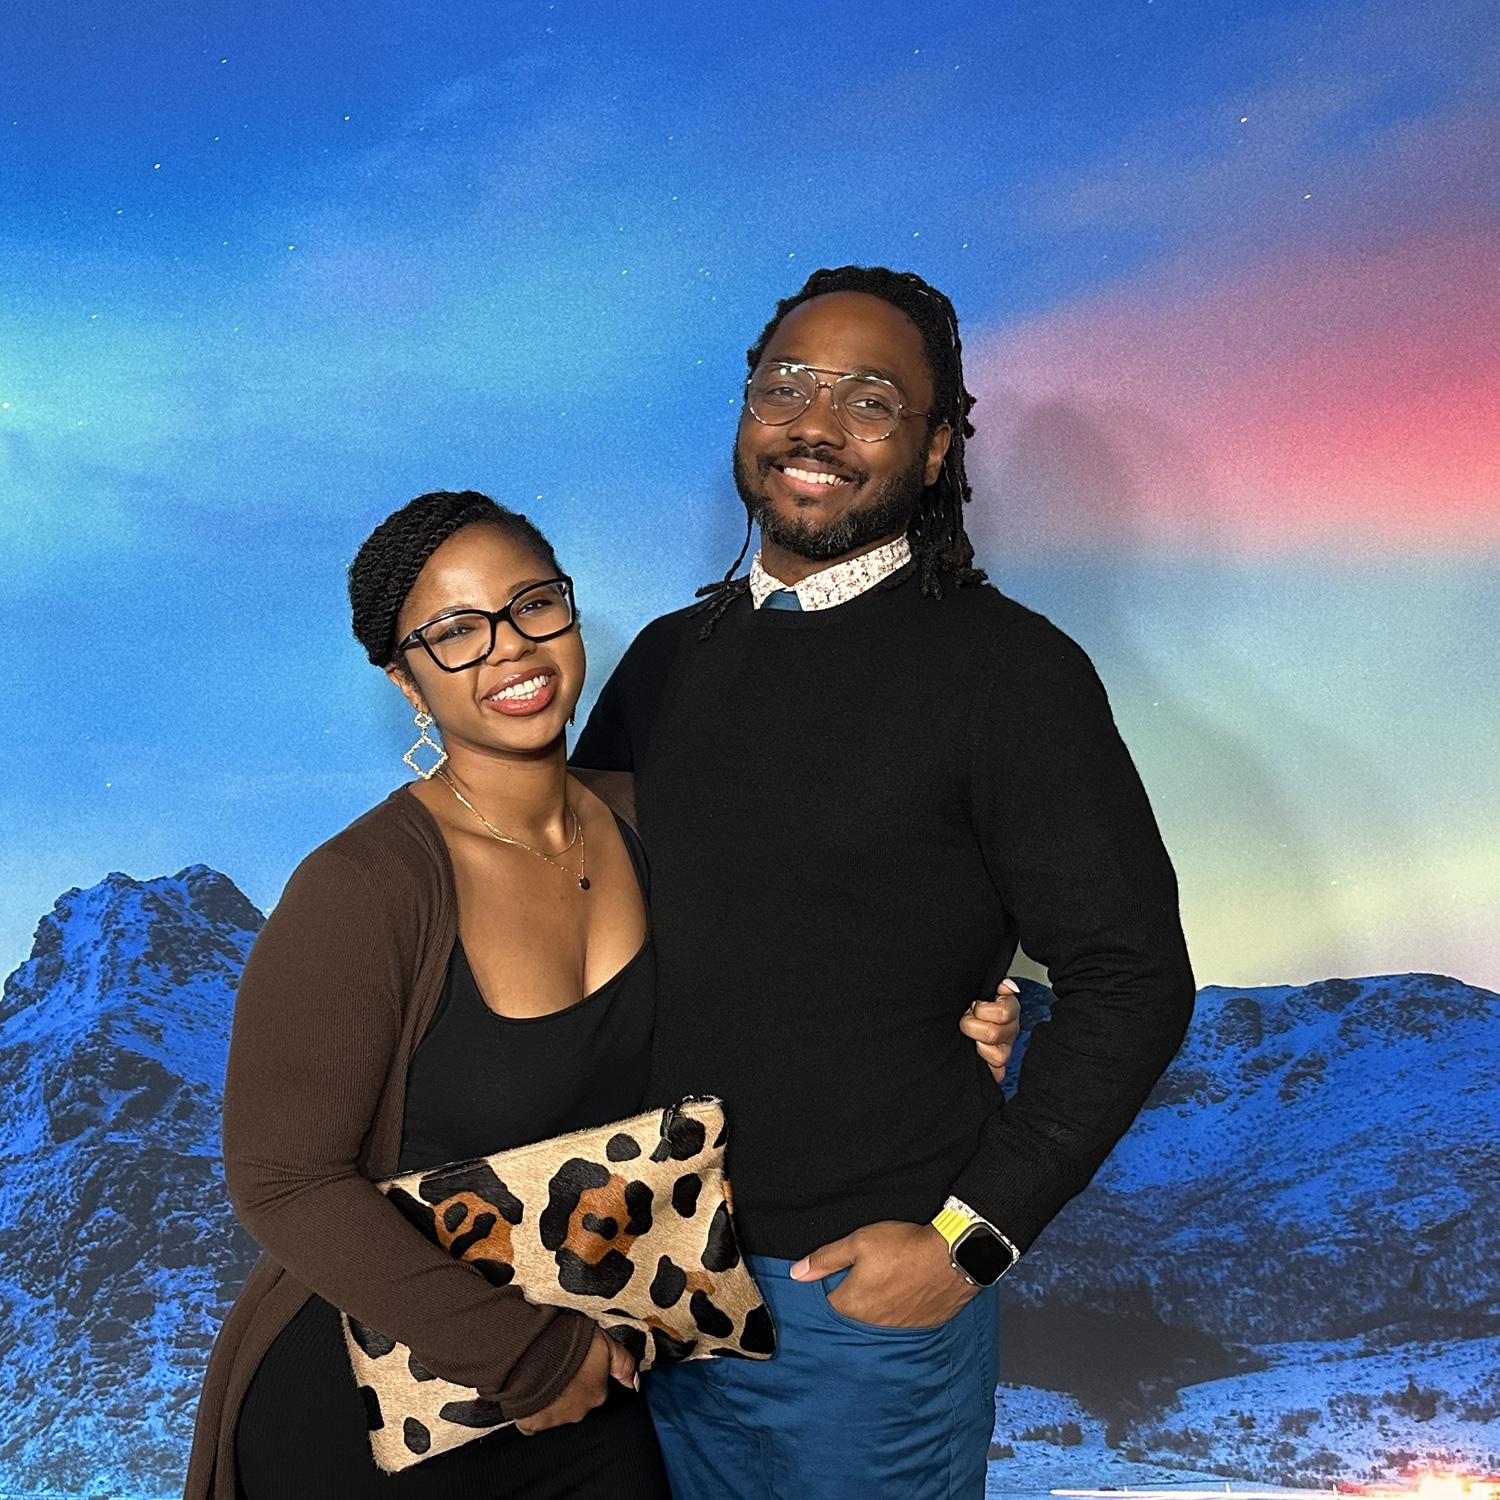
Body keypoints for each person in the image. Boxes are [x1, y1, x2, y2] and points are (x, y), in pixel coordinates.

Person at [184, 489, 1019, 1500]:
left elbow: (790, 992)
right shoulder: (365, 888)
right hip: (383, 1396)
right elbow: (281, 1181)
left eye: (532, 604)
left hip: (595, 1381)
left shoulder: (654, 824)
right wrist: (524, 1354)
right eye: (455, 631)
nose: (510, 647)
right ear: (406, 680)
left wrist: (947, 1040)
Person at [571, 265, 1197, 1499]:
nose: (814, 426)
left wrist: (970, 1242)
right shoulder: (667, 661)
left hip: (852, 1310)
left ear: (937, 446)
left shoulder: (1010, 675)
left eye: (869, 401)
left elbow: (1134, 979)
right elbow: (574, 921)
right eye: (786, 387)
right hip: (648, 1288)